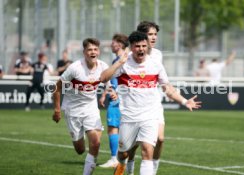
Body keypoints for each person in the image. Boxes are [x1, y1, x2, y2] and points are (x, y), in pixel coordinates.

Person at [100, 31, 201, 175]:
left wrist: (185, 101)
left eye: (143, 46)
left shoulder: (155, 65)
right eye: (137, 46)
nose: (141, 49)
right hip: (129, 117)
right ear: (131, 47)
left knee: (147, 151)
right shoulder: (124, 63)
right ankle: (121, 164)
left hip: (150, 116)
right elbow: (103, 78)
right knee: (123, 153)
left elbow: (168, 89)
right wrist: (119, 63)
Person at [52, 38, 110, 175]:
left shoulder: (103, 66)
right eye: (90, 49)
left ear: (99, 51)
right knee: (80, 150)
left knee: (95, 143)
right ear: (84, 52)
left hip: (91, 109)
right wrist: (57, 109)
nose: (93, 52)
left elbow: (109, 83)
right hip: (73, 111)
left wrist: (108, 93)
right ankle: (80, 136)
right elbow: (57, 88)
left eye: (95, 49)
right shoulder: (74, 68)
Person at [125, 21, 164, 175]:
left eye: (155, 34)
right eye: (150, 34)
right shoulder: (129, 57)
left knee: (160, 139)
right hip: (134, 106)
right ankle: (129, 166)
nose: (153, 37)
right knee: (133, 144)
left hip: (154, 104)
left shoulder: (158, 55)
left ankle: (152, 171)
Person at [99, 33, 129, 168]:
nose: (111, 44)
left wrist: (115, 93)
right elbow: (113, 80)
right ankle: (121, 158)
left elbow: (125, 80)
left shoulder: (123, 60)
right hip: (116, 96)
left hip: (117, 99)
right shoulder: (117, 60)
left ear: (120, 44)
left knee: (113, 128)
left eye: (114, 42)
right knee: (119, 129)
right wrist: (105, 93)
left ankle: (114, 159)